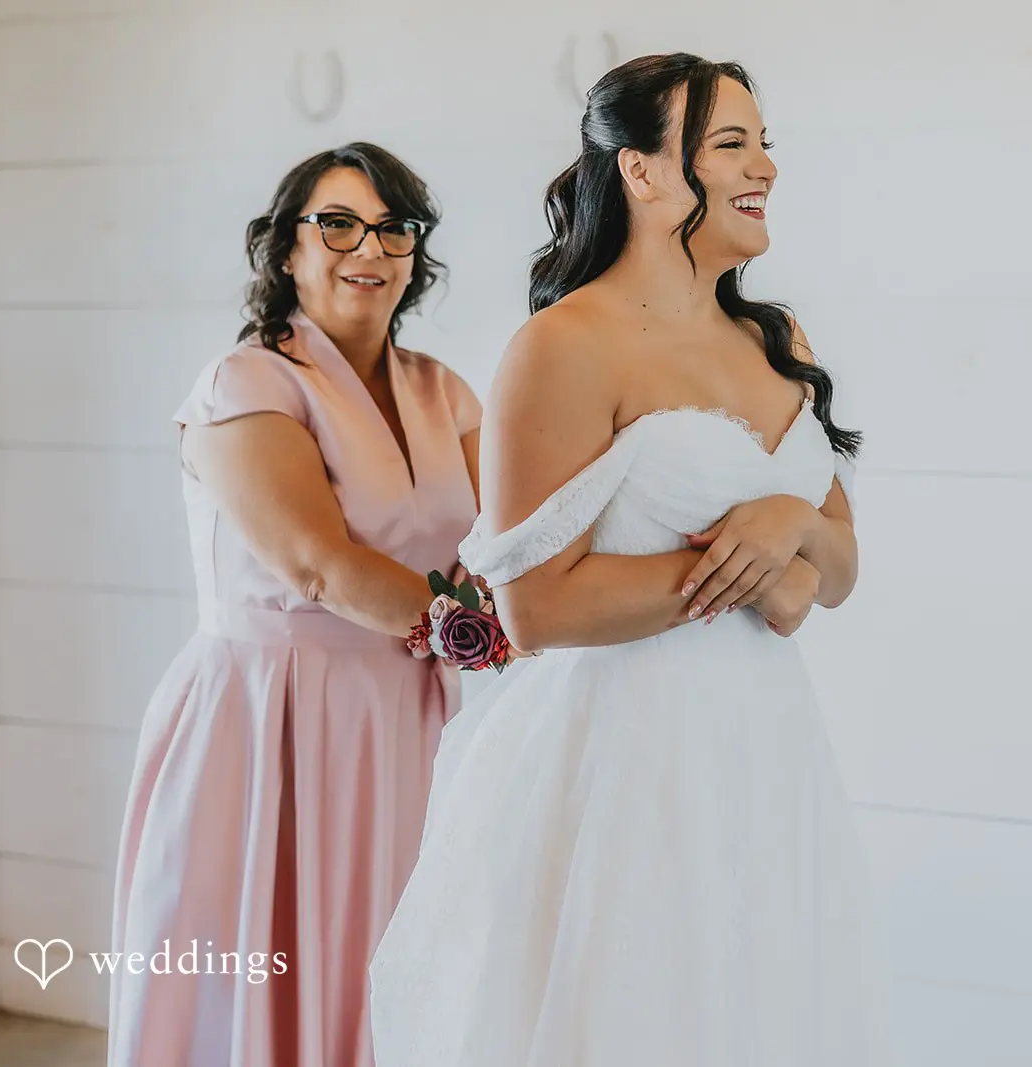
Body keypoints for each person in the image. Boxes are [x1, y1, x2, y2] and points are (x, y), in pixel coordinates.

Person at [367, 55, 888, 1065]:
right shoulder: (565, 344)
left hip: (768, 750)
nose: (765, 168)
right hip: (630, 759)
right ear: (643, 172)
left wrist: (788, 518)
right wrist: (755, 574)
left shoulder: (776, 336)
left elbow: (839, 566)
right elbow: (533, 609)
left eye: (764, 143)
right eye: (731, 144)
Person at [107, 142, 483, 1067]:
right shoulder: (249, 381)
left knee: (394, 955)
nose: (373, 247)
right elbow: (314, 561)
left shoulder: (446, 391)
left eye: (396, 227)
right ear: (287, 249)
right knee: (264, 964)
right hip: (268, 710)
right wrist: (475, 632)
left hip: (407, 715)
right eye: (339, 223)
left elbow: (494, 547)